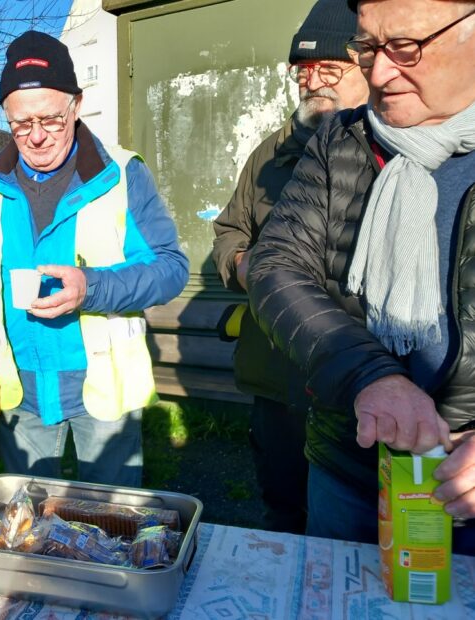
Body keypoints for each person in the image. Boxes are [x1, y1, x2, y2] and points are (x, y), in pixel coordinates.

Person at [247, 0, 475, 552]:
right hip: (348, 466)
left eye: (405, 47)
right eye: (368, 48)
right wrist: (371, 376)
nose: (379, 73)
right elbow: (277, 265)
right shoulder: (340, 139)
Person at [0, 31, 189, 487]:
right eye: (21, 123)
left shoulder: (121, 174)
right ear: (6, 116)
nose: (37, 136)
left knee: (111, 518)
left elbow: (169, 268)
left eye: (51, 119)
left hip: (102, 390)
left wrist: (91, 287)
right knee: (28, 516)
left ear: (77, 105)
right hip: (18, 390)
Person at [211, 0, 369, 535]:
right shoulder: (269, 154)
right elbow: (229, 229)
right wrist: (243, 264)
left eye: (330, 68)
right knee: (283, 511)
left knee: (363, 527)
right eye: (303, 70)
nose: (313, 82)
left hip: (359, 379)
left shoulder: (391, 149)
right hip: (278, 376)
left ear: (367, 64)